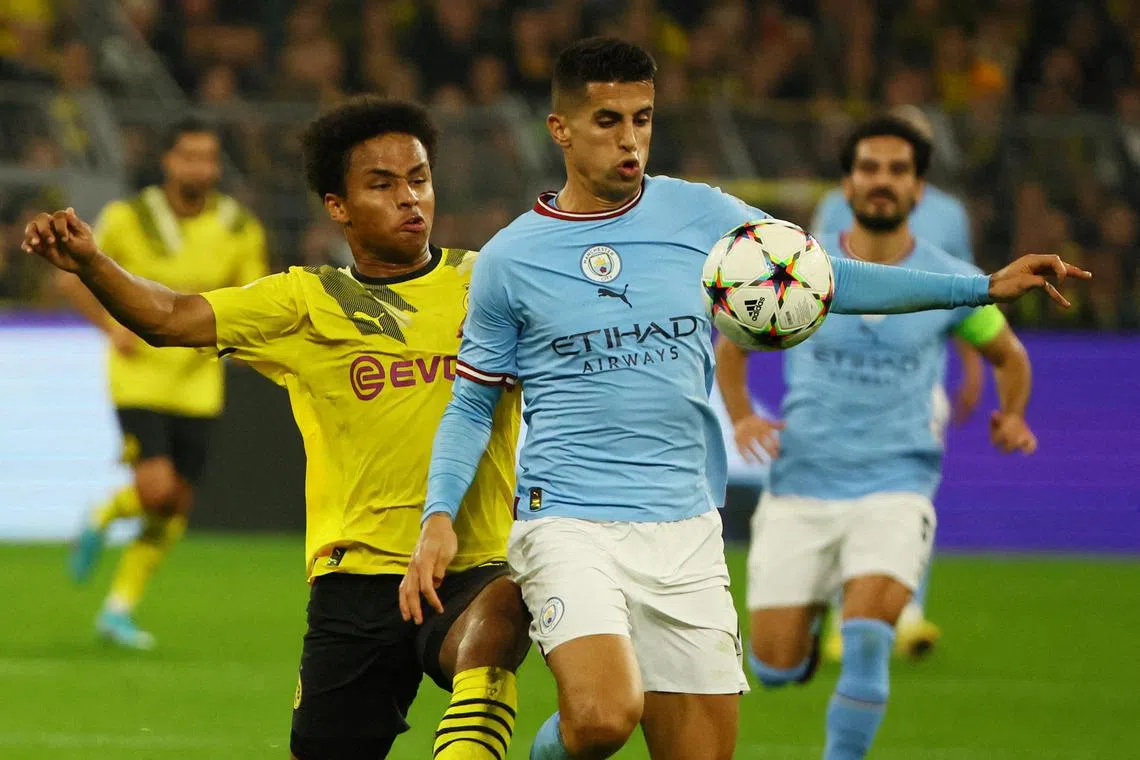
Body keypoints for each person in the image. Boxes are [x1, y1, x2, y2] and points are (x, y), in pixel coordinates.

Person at [400, 37, 1086, 760]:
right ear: (560, 129)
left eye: (643, 118)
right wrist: (438, 517)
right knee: (603, 717)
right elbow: (473, 404)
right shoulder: (512, 258)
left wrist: (981, 286)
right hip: (568, 519)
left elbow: (828, 278)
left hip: (686, 525)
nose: (630, 140)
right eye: (608, 121)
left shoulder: (699, 215)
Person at [25, 97, 531, 760]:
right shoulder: (303, 302)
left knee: (503, 624)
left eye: (420, 178)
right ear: (338, 206)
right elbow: (173, 317)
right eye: (382, 184)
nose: (411, 198)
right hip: (356, 581)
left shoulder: (491, 285)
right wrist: (94, 265)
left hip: (471, 563)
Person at [717, 114, 1041, 760]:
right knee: (774, 666)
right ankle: (803, 634)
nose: (882, 182)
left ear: (920, 189)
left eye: (898, 171)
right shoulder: (801, 267)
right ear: (849, 181)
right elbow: (734, 340)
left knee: (868, 636)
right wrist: (743, 416)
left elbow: (1011, 355)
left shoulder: (946, 278)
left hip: (897, 483)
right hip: (801, 484)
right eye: (870, 168)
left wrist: (1014, 415)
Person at [60, 115, 267, 649]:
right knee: (154, 487)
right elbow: (73, 275)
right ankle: (104, 514)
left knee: (175, 502)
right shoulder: (127, 218)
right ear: (168, 162)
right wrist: (110, 325)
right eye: (189, 156)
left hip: (200, 383)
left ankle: (118, 609)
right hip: (140, 379)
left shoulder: (239, 226)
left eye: (208, 157)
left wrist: (245, 344)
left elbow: (253, 296)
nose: (200, 166)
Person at [810, 104, 979, 659]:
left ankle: (906, 612)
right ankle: (843, 613)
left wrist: (974, 363)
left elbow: (970, 290)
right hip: (845, 375)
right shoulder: (834, 206)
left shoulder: (949, 214)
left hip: (919, 373)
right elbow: (811, 284)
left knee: (910, 497)